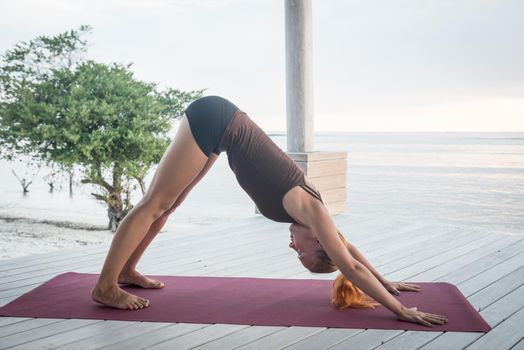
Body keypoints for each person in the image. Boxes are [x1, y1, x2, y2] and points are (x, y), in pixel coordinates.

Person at [91, 96, 447, 327]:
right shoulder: (312, 212)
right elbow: (350, 266)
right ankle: (106, 286)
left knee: (171, 204)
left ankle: (128, 271)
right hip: (215, 118)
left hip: (222, 131)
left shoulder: (316, 224)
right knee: (155, 202)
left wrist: (385, 282)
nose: (293, 249)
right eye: (302, 254)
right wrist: (400, 311)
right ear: (317, 242)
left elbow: (348, 253)